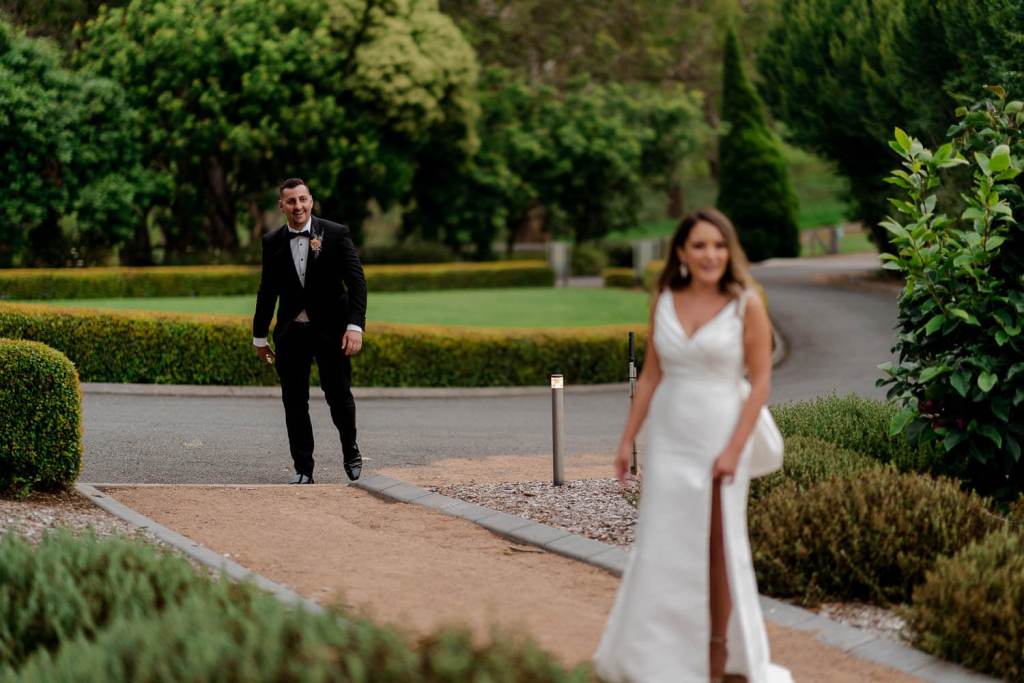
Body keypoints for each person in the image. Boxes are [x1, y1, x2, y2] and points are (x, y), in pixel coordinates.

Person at [594, 208, 793, 683]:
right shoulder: (664, 297)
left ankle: (720, 656)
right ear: (681, 252)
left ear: (730, 251)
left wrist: (733, 449)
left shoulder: (747, 303)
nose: (711, 255)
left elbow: (761, 382)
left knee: (719, 544)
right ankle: (660, 657)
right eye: (700, 245)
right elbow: (652, 375)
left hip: (723, 434)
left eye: (719, 246)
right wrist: (626, 439)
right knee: (665, 543)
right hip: (670, 436)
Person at [252, 178, 367, 484]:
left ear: (311, 201)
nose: (298, 206)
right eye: (291, 201)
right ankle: (303, 468)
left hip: (332, 331)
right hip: (292, 334)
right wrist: (259, 337)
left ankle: (350, 448)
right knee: (294, 401)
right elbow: (267, 292)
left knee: (339, 396)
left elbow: (357, 282)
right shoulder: (272, 241)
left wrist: (355, 326)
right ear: (281, 206)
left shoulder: (335, 233)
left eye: (302, 199)